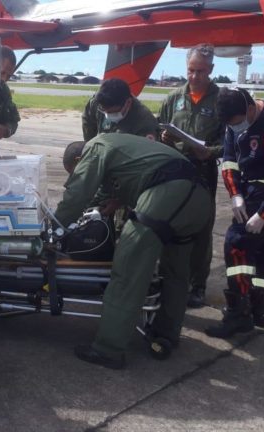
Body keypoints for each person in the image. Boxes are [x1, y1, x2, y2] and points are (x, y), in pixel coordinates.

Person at [55, 134, 210, 369]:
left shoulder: (97, 147)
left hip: (168, 195)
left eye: (73, 170)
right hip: (199, 200)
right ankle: (166, 334)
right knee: (176, 272)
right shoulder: (123, 146)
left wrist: (54, 226)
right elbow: (140, 175)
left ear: (79, 157)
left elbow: (78, 193)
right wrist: (117, 200)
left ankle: (108, 349)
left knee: (127, 269)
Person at [205, 87, 264, 338]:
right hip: (247, 191)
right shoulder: (232, 120)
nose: (234, 128)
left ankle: (239, 314)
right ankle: (258, 310)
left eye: (237, 123)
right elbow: (229, 161)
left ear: (249, 109)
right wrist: (235, 194)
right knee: (262, 250)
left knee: (236, 244)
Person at [159, 43, 225, 308]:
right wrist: (164, 137)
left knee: (200, 230)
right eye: (190, 70)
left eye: (200, 71)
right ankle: (169, 278)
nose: (194, 76)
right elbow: (158, 127)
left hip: (203, 171)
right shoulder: (174, 98)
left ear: (211, 70)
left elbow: (231, 141)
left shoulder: (221, 101)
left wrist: (211, 152)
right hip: (175, 170)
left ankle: (197, 286)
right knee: (169, 225)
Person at [82, 78, 158, 142]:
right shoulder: (96, 103)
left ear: (128, 102)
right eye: (104, 111)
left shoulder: (145, 121)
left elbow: (146, 153)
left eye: (113, 112)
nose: (108, 115)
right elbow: (88, 122)